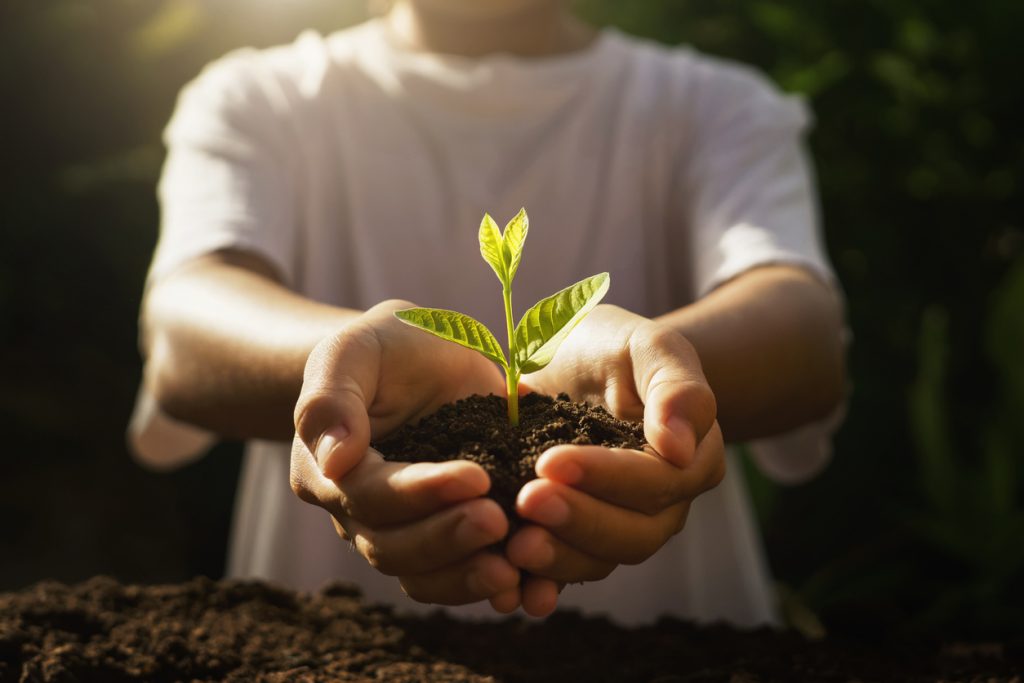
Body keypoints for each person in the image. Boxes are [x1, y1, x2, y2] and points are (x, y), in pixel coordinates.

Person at [129, 0, 846, 626]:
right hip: (332, 635)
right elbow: (186, 329)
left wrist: (647, 374)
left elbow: (804, 331)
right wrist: (350, 368)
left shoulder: (713, 104)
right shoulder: (261, 96)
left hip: (675, 641)